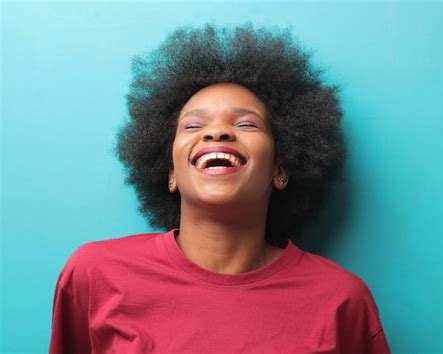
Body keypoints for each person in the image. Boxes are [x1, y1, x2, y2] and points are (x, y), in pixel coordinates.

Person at [49, 23, 391, 353]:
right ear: (171, 173)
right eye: (193, 125)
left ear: (280, 171)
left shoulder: (342, 301)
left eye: (246, 123)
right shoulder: (94, 275)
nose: (217, 133)